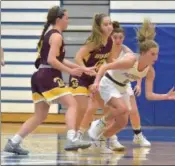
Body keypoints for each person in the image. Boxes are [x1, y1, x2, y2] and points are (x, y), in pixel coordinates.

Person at [3, 6, 93, 155]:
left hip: (39, 75)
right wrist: (71, 71)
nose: (68, 21)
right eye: (67, 18)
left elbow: (60, 59)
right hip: (48, 75)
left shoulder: (50, 34)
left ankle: (14, 142)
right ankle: (71, 138)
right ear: (59, 20)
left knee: (40, 115)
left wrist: (83, 69)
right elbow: (52, 60)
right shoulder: (56, 36)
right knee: (72, 103)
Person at [87, 18, 175, 153]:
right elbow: (104, 67)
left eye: (157, 54)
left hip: (123, 86)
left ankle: (100, 141)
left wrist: (166, 96)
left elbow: (149, 95)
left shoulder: (150, 71)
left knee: (122, 122)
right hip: (108, 82)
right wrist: (96, 82)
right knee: (122, 108)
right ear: (143, 53)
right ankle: (99, 123)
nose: (156, 57)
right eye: (153, 54)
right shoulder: (130, 60)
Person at [73, 21, 151, 152]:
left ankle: (127, 137)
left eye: (120, 37)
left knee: (128, 111)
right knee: (94, 108)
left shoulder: (127, 51)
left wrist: (138, 83)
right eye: (115, 37)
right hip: (104, 79)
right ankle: (78, 136)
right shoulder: (105, 47)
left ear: (124, 38)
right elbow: (104, 65)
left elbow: (139, 68)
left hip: (122, 82)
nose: (118, 40)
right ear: (110, 37)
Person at [66, 13, 114, 149]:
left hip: (94, 78)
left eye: (110, 23)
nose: (109, 27)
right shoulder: (94, 42)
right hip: (80, 77)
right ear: (99, 27)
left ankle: (104, 137)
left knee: (108, 109)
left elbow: (109, 61)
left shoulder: (109, 42)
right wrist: (85, 69)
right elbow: (78, 57)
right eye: (106, 24)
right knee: (82, 107)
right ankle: (74, 137)